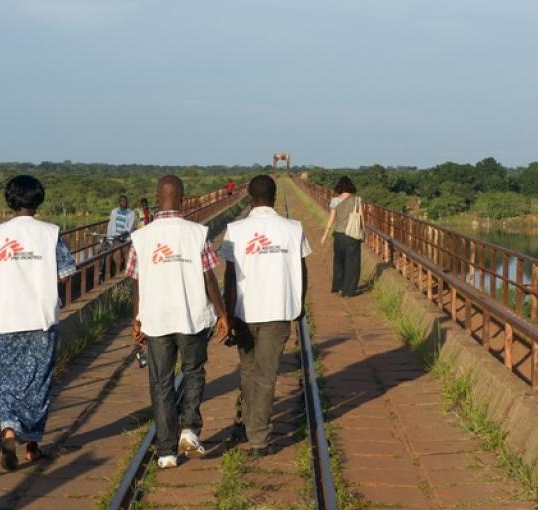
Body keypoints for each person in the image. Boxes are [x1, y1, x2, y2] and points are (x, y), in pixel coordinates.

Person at [0, 175, 76, 471]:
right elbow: (67, 272)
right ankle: (31, 446)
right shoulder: (51, 233)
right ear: (38, 200)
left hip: (6, 317)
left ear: (10, 200)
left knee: (7, 379)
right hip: (40, 318)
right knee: (39, 380)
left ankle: (8, 429)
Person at [126, 175, 229, 469]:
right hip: (192, 317)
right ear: (182, 199)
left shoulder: (141, 237)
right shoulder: (197, 233)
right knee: (193, 372)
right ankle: (190, 429)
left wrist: (136, 319)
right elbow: (210, 278)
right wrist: (222, 314)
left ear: (157, 200)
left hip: (156, 319)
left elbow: (136, 282)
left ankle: (167, 451)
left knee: (161, 384)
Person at [220, 175, 310, 457]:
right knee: (266, 374)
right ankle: (257, 434)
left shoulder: (234, 230)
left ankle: (253, 428)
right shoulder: (293, 229)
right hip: (278, 310)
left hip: (244, 312)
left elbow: (230, 276)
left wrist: (226, 313)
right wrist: (300, 304)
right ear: (273, 197)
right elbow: (303, 270)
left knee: (248, 370)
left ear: (249, 197)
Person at [320, 176, 363, 297]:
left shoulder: (334, 201)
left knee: (339, 262)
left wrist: (324, 235)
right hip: (353, 236)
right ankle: (348, 291)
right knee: (352, 263)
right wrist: (363, 231)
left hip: (339, 235)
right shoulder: (357, 200)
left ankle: (338, 286)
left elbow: (331, 219)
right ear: (350, 187)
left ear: (339, 187)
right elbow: (361, 217)